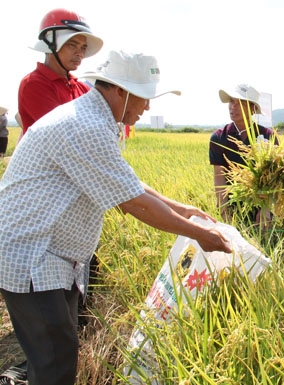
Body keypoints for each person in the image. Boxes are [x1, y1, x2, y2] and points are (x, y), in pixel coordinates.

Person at [0, 50, 232, 385]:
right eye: (144, 97)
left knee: (55, 354)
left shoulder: (100, 120)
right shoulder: (84, 125)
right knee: (55, 360)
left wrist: (183, 209)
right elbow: (132, 202)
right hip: (31, 254)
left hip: (52, 256)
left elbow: (127, 181)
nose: (148, 107)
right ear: (120, 91)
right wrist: (197, 232)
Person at [17, 8, 103, 140]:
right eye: (72, 45)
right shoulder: (34, 84)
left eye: (83, 47)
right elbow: (64, 135)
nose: (79, 53)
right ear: (50, 44)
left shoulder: (81, 88)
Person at [209, 84, 278, 228]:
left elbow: (273, 177)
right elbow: (219, 176)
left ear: (253, 109)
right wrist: (223, 208)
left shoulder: (267, 136)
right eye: (231, 101)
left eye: (240, 103)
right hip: (232, 202)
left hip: (261, 204)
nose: (233, 107)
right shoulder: (219, 137)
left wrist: (265, 209)